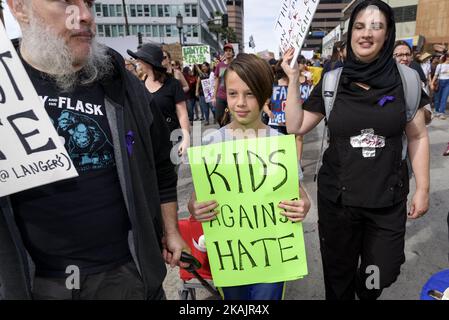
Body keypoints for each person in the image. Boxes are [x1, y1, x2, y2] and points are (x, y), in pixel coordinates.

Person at [1, 0, 189, 300]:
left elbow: (161, 165)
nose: (85, 16)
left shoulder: (121, 82)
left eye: (88, 2)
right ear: (20, 8)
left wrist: (171, 230)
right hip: (39, 284)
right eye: (66, 2)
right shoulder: (4, 82)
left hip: (127, 275)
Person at [282, 0, 430, 300]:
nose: (366, 33)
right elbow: (295, 126)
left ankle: (366, 292)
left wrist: (423, 189)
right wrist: (294, 80)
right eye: (360, 26)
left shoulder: (407, 80)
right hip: (338, 200)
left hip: (387, 200)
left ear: (387, 33)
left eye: (376, 26)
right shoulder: (333, 80)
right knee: (338, 276)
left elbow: (418, 137)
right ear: (350, 33)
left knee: (380, 272)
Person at [188, 53, 311, 300]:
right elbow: (197, 195)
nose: (241, 102)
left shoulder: (278, 143)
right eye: (233, 94)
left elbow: (297, 192)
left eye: (250, 94)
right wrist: (194, 206)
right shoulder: (213, 142)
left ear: (265, 96)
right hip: (230, 256)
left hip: (273, 258)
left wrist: (304, 203)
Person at [128, 44, 190, 157]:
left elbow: (182, 114)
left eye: (139, 60)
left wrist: (186, 138)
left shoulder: (173, 84)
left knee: (169, 173)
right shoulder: (139, 86)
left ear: (148, 62)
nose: (137, 63)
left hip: (171, 140)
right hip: (149, 143)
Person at [393, 41, 432, 123]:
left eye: (407, 54)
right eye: (399, 55)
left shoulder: (415, 80)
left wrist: (416, 107)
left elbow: (428, 118)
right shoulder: (382, 79)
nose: (405, 59)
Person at [213, 43, 235, 127]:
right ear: (224, 53)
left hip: (233, 95)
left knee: (230, 117)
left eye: (230, 51)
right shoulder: (220, 65)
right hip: (221, 95)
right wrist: (214, 97)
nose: (228, 52)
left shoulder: (236, 64)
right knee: (219, 116)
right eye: (226, 51)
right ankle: (224, 129)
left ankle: (228, 133)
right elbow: (217, 81)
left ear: (232, 53)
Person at [431, 53, 449, 119]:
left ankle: (441, 112)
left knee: (444, 98)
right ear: (446, 57)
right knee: (437, 98)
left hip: (448, 82)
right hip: (439, 82)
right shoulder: (440, 65)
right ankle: (436, 111)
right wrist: (432, 83)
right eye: (448, 57)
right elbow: (435, 75)